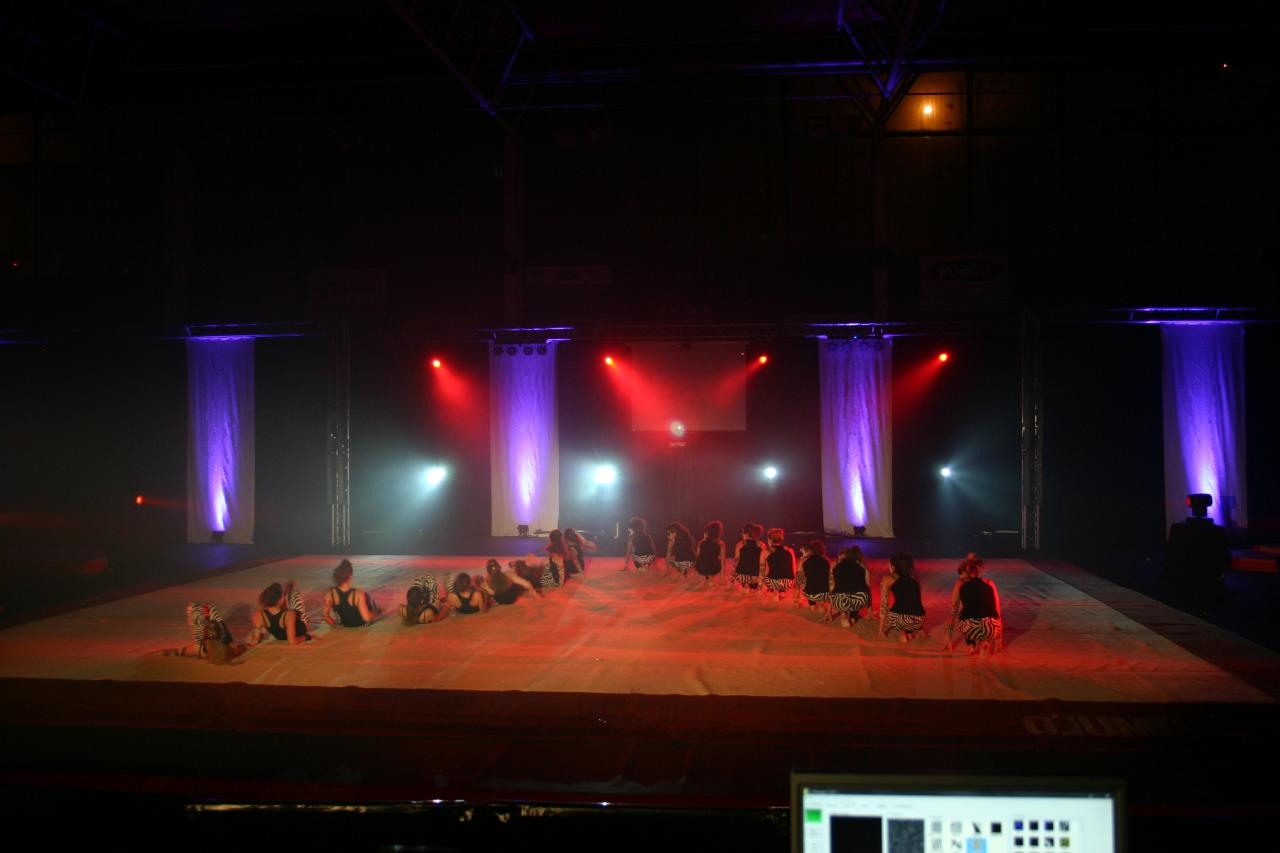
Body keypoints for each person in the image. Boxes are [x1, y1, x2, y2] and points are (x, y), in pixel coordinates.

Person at [944, 556, 1004, 655]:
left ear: (966, 573)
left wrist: (948, 636)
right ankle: (985, 641)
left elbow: (953, 613)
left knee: (963, 614)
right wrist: (999, 637)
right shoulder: (989, 583)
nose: (959, 577)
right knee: (988, 617)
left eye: (960, 574)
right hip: (991, 627)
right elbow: (997, 611)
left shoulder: (960, 585)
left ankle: (970, 646)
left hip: (970, 628)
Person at [159, 602, 245, 663]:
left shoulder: (202, 649)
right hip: (217, 644)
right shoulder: (228, 649)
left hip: (207, 647)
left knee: (183, 651)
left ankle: (199, 616)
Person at [879, 552, 926, 643]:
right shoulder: (914, 578)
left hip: (899, 619)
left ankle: (902, 632)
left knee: (893, 614)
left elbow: (884, 605)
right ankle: (910, 632)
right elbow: (917, 601)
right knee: (909, 612)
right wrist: (920, 627)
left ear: (893, 567)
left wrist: (881, 630)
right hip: (919, 619)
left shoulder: (887, 579)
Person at [323, 558, 381, 628]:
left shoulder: (329, 593)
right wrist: (376, 613)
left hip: (344, 624)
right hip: (361, 625)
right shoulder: (358, 594)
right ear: (350, 576)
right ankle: (376, 610)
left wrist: (335, 626)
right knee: (367, 596)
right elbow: (367, 618)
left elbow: (325, 616)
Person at [830, 546, 873, 628]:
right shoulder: (862, 567)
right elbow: (867, 588)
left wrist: (829, 611)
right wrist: (870, 610)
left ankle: (843, 614)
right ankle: (853, 617)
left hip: (840, 601)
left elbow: (832, 588)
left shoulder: (836, 567)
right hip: (859, 600)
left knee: (841, 592)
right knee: (856, 591)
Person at [798, 539, 833, 617]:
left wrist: (797, 594)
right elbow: (830, 577)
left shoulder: (805, 560)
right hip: (824, 593)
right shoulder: (826, 560)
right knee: (826, 581)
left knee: (806, 581)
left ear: (811, 550)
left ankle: (812, 604)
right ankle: (821, 603)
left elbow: (799, 578)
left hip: (809, 593)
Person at [763, 527, 796, 601]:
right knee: (783, 575)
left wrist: (763, 584)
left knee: (769, 577)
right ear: (781, 539)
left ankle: (775, 591)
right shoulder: (790, 550)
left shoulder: (766, 552)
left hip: (772, 582)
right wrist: (794, 581)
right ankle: (782, 591)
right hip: (788, 583)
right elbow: (793, 567)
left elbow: (766, 570)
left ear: (770, 539)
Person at [732, 523, 765, 591]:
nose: (742, 535)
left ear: (746, 534)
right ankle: (750, 585)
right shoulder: (762, 545)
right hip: (755, 577)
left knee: (736, 578)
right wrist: (761, 581)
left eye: (742, 533)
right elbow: (763, 565)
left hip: (741, 576)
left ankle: (744, 584)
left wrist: (733, 576)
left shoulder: (740, 544)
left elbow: (736, 562)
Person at [695, 520, 726, 587]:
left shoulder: (701, 542)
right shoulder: (721, 544)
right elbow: (723, 562)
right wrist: (722, 579)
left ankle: (707, 577)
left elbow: (697, 557)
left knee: (706, 559)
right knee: (718, 559)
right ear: (718, 532)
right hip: (712, 568)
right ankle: (710, 578)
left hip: (700, 567)